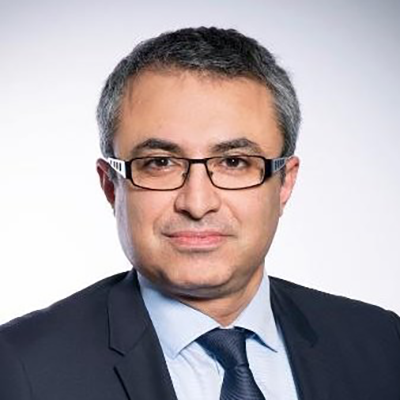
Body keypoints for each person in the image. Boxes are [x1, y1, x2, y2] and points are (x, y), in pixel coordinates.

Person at [1, 27, 399, 400]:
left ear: (285, 183)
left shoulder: (382, 343)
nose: (197, 203)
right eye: (159, 163)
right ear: (111, 185)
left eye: (234, 162)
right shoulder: (20, 369)